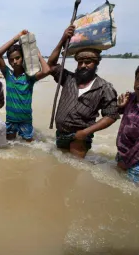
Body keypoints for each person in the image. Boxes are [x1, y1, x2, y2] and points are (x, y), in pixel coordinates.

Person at [47, 26, 120, 158]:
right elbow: (51, 65)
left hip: (80, 136)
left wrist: (86, 132)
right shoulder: (69, 78)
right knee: (61, 165)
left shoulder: (104, 87)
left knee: (75, 167)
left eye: (88, 62)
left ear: (96, 64)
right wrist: (63, 39)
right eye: (80, 62)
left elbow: (111, 115)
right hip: (61, 133)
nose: (83, 65)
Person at [0, 30, 50, 142]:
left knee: (29, 147)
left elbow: (46, 70)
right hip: (10, 120)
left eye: (17, 58)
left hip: (26, 120)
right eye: (11, 60)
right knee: (10, 145)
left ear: (23, 57)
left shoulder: (29, 77)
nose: (14, 61)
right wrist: (15, 39)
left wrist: (37, 54)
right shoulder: (8, 74)